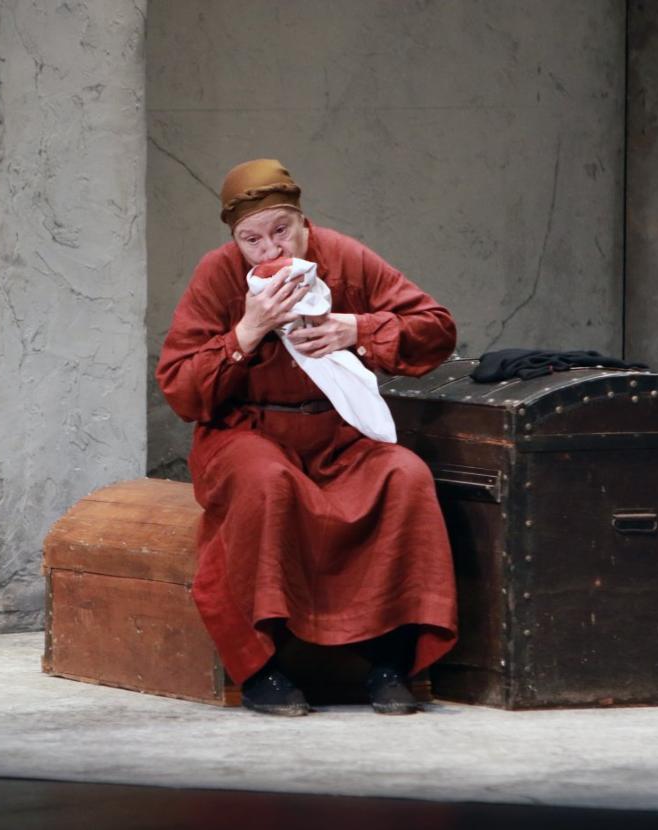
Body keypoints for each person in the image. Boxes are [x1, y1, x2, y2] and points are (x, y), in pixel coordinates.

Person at [156, 159, 458, 716]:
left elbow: (436, 329)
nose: (270, 249)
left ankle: (391, 661)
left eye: (282, 230)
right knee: (266, 481)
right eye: (252, 239)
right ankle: (260, 668)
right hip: (246, 432)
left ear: (303, 223)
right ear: (234, 240)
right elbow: (179, 387)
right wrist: (246, 332)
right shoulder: (218, 274)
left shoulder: (343, 257)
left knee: (405, 476)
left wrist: (357, 328)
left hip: (338, 431)